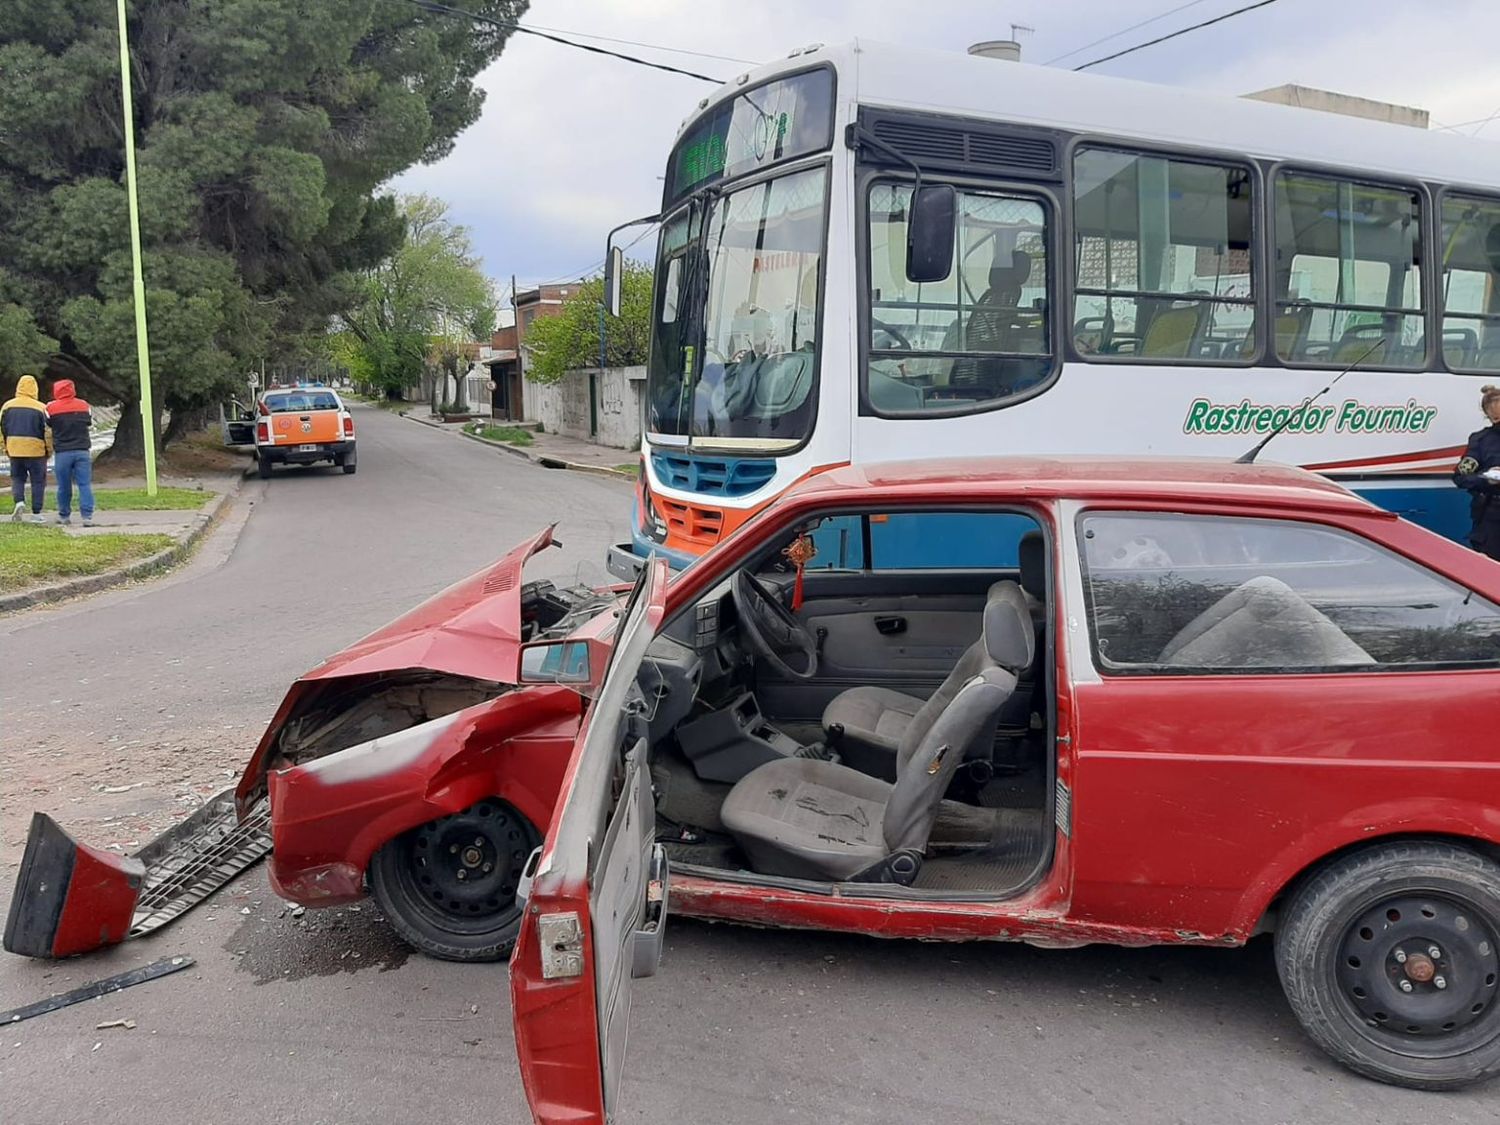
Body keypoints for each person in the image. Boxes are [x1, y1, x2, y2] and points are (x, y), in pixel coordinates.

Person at [1454, 383, 1500, 560]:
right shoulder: (1480, 441)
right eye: (1496, 418)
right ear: (1489, 416)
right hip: (1492, 519)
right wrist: (1487, 479)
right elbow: (1461, 477)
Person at [1, 374, 52, 524]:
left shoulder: (7, 406)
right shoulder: (42, 408)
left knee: (17, 478)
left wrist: (6, 447)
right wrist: (48, 450)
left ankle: (19, 502)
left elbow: (1, 429)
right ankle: (36, 513)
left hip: (14, 449)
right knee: (38, 481)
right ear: (35, 388)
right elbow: (47, 432)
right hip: (36, 451)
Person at [46, 379, 95, 527]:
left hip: (63, 452)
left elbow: (48, 424)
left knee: (63, 486)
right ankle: (87, 516)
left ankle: (64, 515)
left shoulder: (51, 408)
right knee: (84, 484)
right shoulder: (84, 405)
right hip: (82, 450)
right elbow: (88, 422)